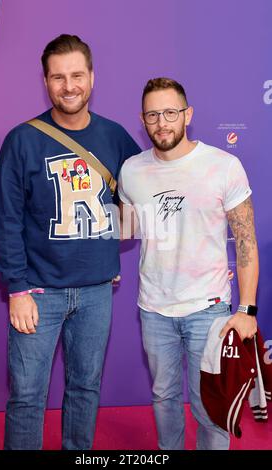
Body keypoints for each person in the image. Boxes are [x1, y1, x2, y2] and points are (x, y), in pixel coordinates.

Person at [0, 34, 140, 450]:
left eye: (76, 75)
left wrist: (109, 249)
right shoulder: (23, 139)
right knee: (27, 398)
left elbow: (142, 194)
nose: (68, 86)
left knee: (86, 389)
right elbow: (4, 220)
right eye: (58, 77)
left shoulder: (116, 136)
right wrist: (16, 289)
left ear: (91, 77)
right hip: (37, 292)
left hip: (96, 292)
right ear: (46, 81)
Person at [118, 77, 259, 450]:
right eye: (153, 115)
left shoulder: (223, 165)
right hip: (153, 308)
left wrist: (247, 308)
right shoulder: (131, 170)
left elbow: (245, 240)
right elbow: (126, 231)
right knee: (164, 397)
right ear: (142, 119)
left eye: (170, 112)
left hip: (208, 310)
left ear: (187, 114)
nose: (162, 122)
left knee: (211, 404)